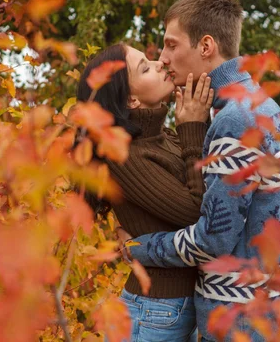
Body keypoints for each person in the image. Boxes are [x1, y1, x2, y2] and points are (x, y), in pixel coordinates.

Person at [121, 0, 280, 341]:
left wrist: (138, 248)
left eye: (171, 45)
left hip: (241, 317)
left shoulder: (234, 120)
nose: (164, 59)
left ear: (206, 47)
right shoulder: (259, 103)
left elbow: (214, 238)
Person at [76, 43, 214, 342]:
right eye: (145, 67)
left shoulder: (162, 138)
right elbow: (198, 212)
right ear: (131, 99)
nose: (160, 63)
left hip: (173, 309)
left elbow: (207, 182)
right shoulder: (125, 157)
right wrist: (192, 127)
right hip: (154, 312)